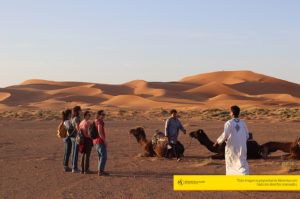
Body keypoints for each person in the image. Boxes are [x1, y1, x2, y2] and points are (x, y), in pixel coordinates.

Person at [213, 105, 250, 175]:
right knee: (241, 162)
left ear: (232, 113)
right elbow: (247, 135)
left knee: (231, 162)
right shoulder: (242, 123)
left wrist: (218, 142)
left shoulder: (228, 123)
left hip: (232, 147)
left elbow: (225, 135)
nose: (230, 113)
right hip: (242, 147)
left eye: (230, 112)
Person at [93, 110, 109, 176]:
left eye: (104, 114)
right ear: (99, 115)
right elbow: (99, 132)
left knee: (100, 156)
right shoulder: (100, 121)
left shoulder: (95, 121)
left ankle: (100, 170)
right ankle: (100, 171)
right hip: (100, 141)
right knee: (104, 156)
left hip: (95, 141)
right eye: (102, 114)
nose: (103, 116)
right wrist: (104, 140)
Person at [70, 106, 82, 173]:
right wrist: (80, 134)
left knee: (73, 152)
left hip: (72, 137)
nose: (81, 111)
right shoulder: (77, 118)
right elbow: (78, 128)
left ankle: (73, 167)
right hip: (76, 137)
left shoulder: (73, 118)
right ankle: (74, 168)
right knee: (75, 153)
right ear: (78, 111)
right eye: (80, 110)